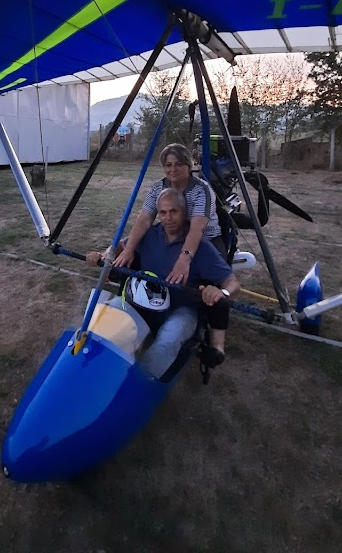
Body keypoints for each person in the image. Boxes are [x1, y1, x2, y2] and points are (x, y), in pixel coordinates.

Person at [87, 188, 239, 378]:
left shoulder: (200, 246)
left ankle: (140, 384)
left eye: (174, 211)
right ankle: (92, 369)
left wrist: (221, 293)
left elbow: (232, 282)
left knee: (168, 340)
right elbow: (119, 247)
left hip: (181, 309)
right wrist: (101, 255)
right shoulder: (150, 234)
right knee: (103, 319)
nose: (168, 218)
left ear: (184, 213)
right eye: (163, 212)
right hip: (143, 302)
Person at [114, 143, 225, 287]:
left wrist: (184, 258)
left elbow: (196, 229)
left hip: (206, 238)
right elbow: (144, 220)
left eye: (179, 164)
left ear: (188, 165)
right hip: (170, 235)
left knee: (214, 279)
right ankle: (117, 273)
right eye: (168, 165)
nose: (173, 169)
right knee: (127, 247)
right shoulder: (158, 188)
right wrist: (128, 250)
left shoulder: (201, 190)